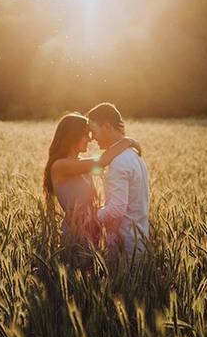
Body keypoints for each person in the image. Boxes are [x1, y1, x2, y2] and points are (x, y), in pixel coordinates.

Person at [43, 112, 138, 270]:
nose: (90, 138)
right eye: (85, 134)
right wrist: (129, 142)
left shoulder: (80, 164)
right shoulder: (60, 166)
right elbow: (102, 162)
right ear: (72, 136)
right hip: (76, 236)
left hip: (93, 234)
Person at [87, 102, 150, 268]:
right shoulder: (134, 155)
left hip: (125, 245)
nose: (92, 138)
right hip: (139, 238)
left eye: (94, 131)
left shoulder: (118, 163)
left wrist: (93, 216)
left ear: (107, 127)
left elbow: (117, 209)